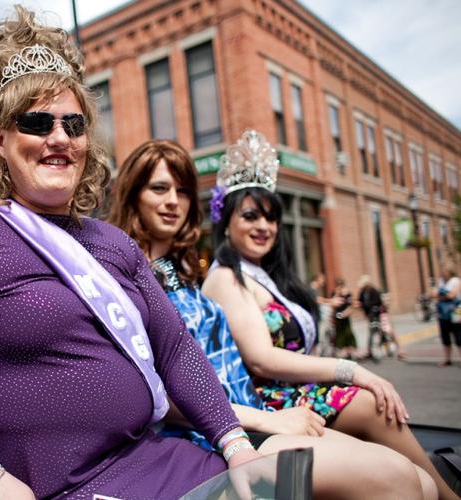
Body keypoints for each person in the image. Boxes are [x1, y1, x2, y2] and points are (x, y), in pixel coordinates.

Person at [0, 7, 263, 499]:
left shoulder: (114, 243)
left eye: (73, 123)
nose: (59, 138)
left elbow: (175, 349)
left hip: (158, 459)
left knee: (370, 474)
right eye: (37, 122)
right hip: (58, 491)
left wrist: (236, 442)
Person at [109, 138, 436, 499]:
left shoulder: (182, 271)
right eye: (159, 188)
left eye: (183, 191)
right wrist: (265, 420)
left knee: (420, 481)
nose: (173, 200)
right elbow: (151, 393)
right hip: (212, 436)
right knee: (398, 478)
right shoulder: (122, 277)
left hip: (250, 414)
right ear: (133, 194)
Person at [202, 129, 457, 499]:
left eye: (271, 218)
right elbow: (261, 359)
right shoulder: (226, 276)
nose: (263, 226)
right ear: (226, 221)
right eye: (251, 215)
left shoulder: (271, 277)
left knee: (419, 479)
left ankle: (438, 488)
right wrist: (352, 370)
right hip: (268, 401)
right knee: (371, 403)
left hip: (292, 391)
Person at [356, 274, 403, 360]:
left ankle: (400, 349)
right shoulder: (362, 292)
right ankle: (369, 351)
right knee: (371, 331)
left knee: (388, 330)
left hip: (381, 313)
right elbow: (361, 303)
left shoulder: (374, 291)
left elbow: (378, 303)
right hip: (371, 315)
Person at [433, 264, 461, 366]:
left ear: (450, 272)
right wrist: (444, 294)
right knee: (445, 336)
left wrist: (441, 294)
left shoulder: (456, 281)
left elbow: (452, 295)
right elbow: (433, 294)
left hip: (457, 311)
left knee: (458, 335)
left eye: (444, 271)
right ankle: (447, 359)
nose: (442, 273)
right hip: (442, 313)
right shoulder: (441, 282)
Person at [331, 278, 357, 359]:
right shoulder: (334, 294)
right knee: (339, 334)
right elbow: (332, 304)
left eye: (341, 286)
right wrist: (336, 294)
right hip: (337, 317)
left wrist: (346, 313)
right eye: (338, 286)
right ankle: (341, 351)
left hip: (345, 317)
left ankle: (350, 351)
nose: (339, 288)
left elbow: (351, 305)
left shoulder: (347, 294)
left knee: (348, 333)